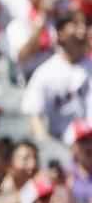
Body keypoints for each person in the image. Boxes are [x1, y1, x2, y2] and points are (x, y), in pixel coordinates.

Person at [20, 12, 92, 143]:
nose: (82, 31)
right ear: (60, 35)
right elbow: (34, 115)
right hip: (61, 144)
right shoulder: (46, 72)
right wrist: (48, 148)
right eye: (75, 25)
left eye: (85, 26)